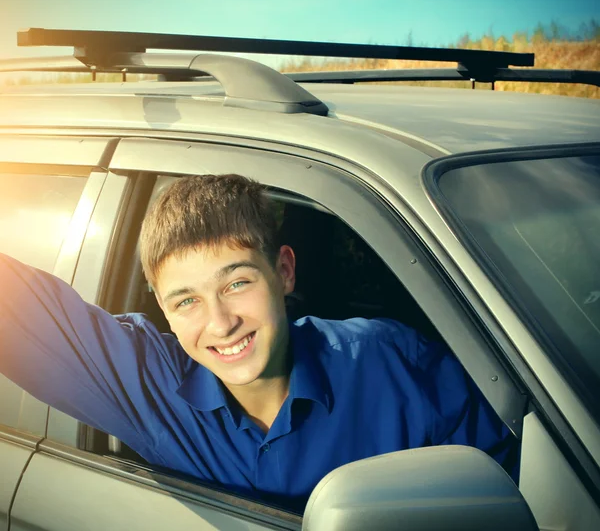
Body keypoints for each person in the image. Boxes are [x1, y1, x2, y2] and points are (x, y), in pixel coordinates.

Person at [0, 174, 518, 513]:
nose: (221, 323)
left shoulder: (397, 365)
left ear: (284, 271)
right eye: (187, 301)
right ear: (165, 311)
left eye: (237, 284)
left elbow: (521, 495)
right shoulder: (149, 383)